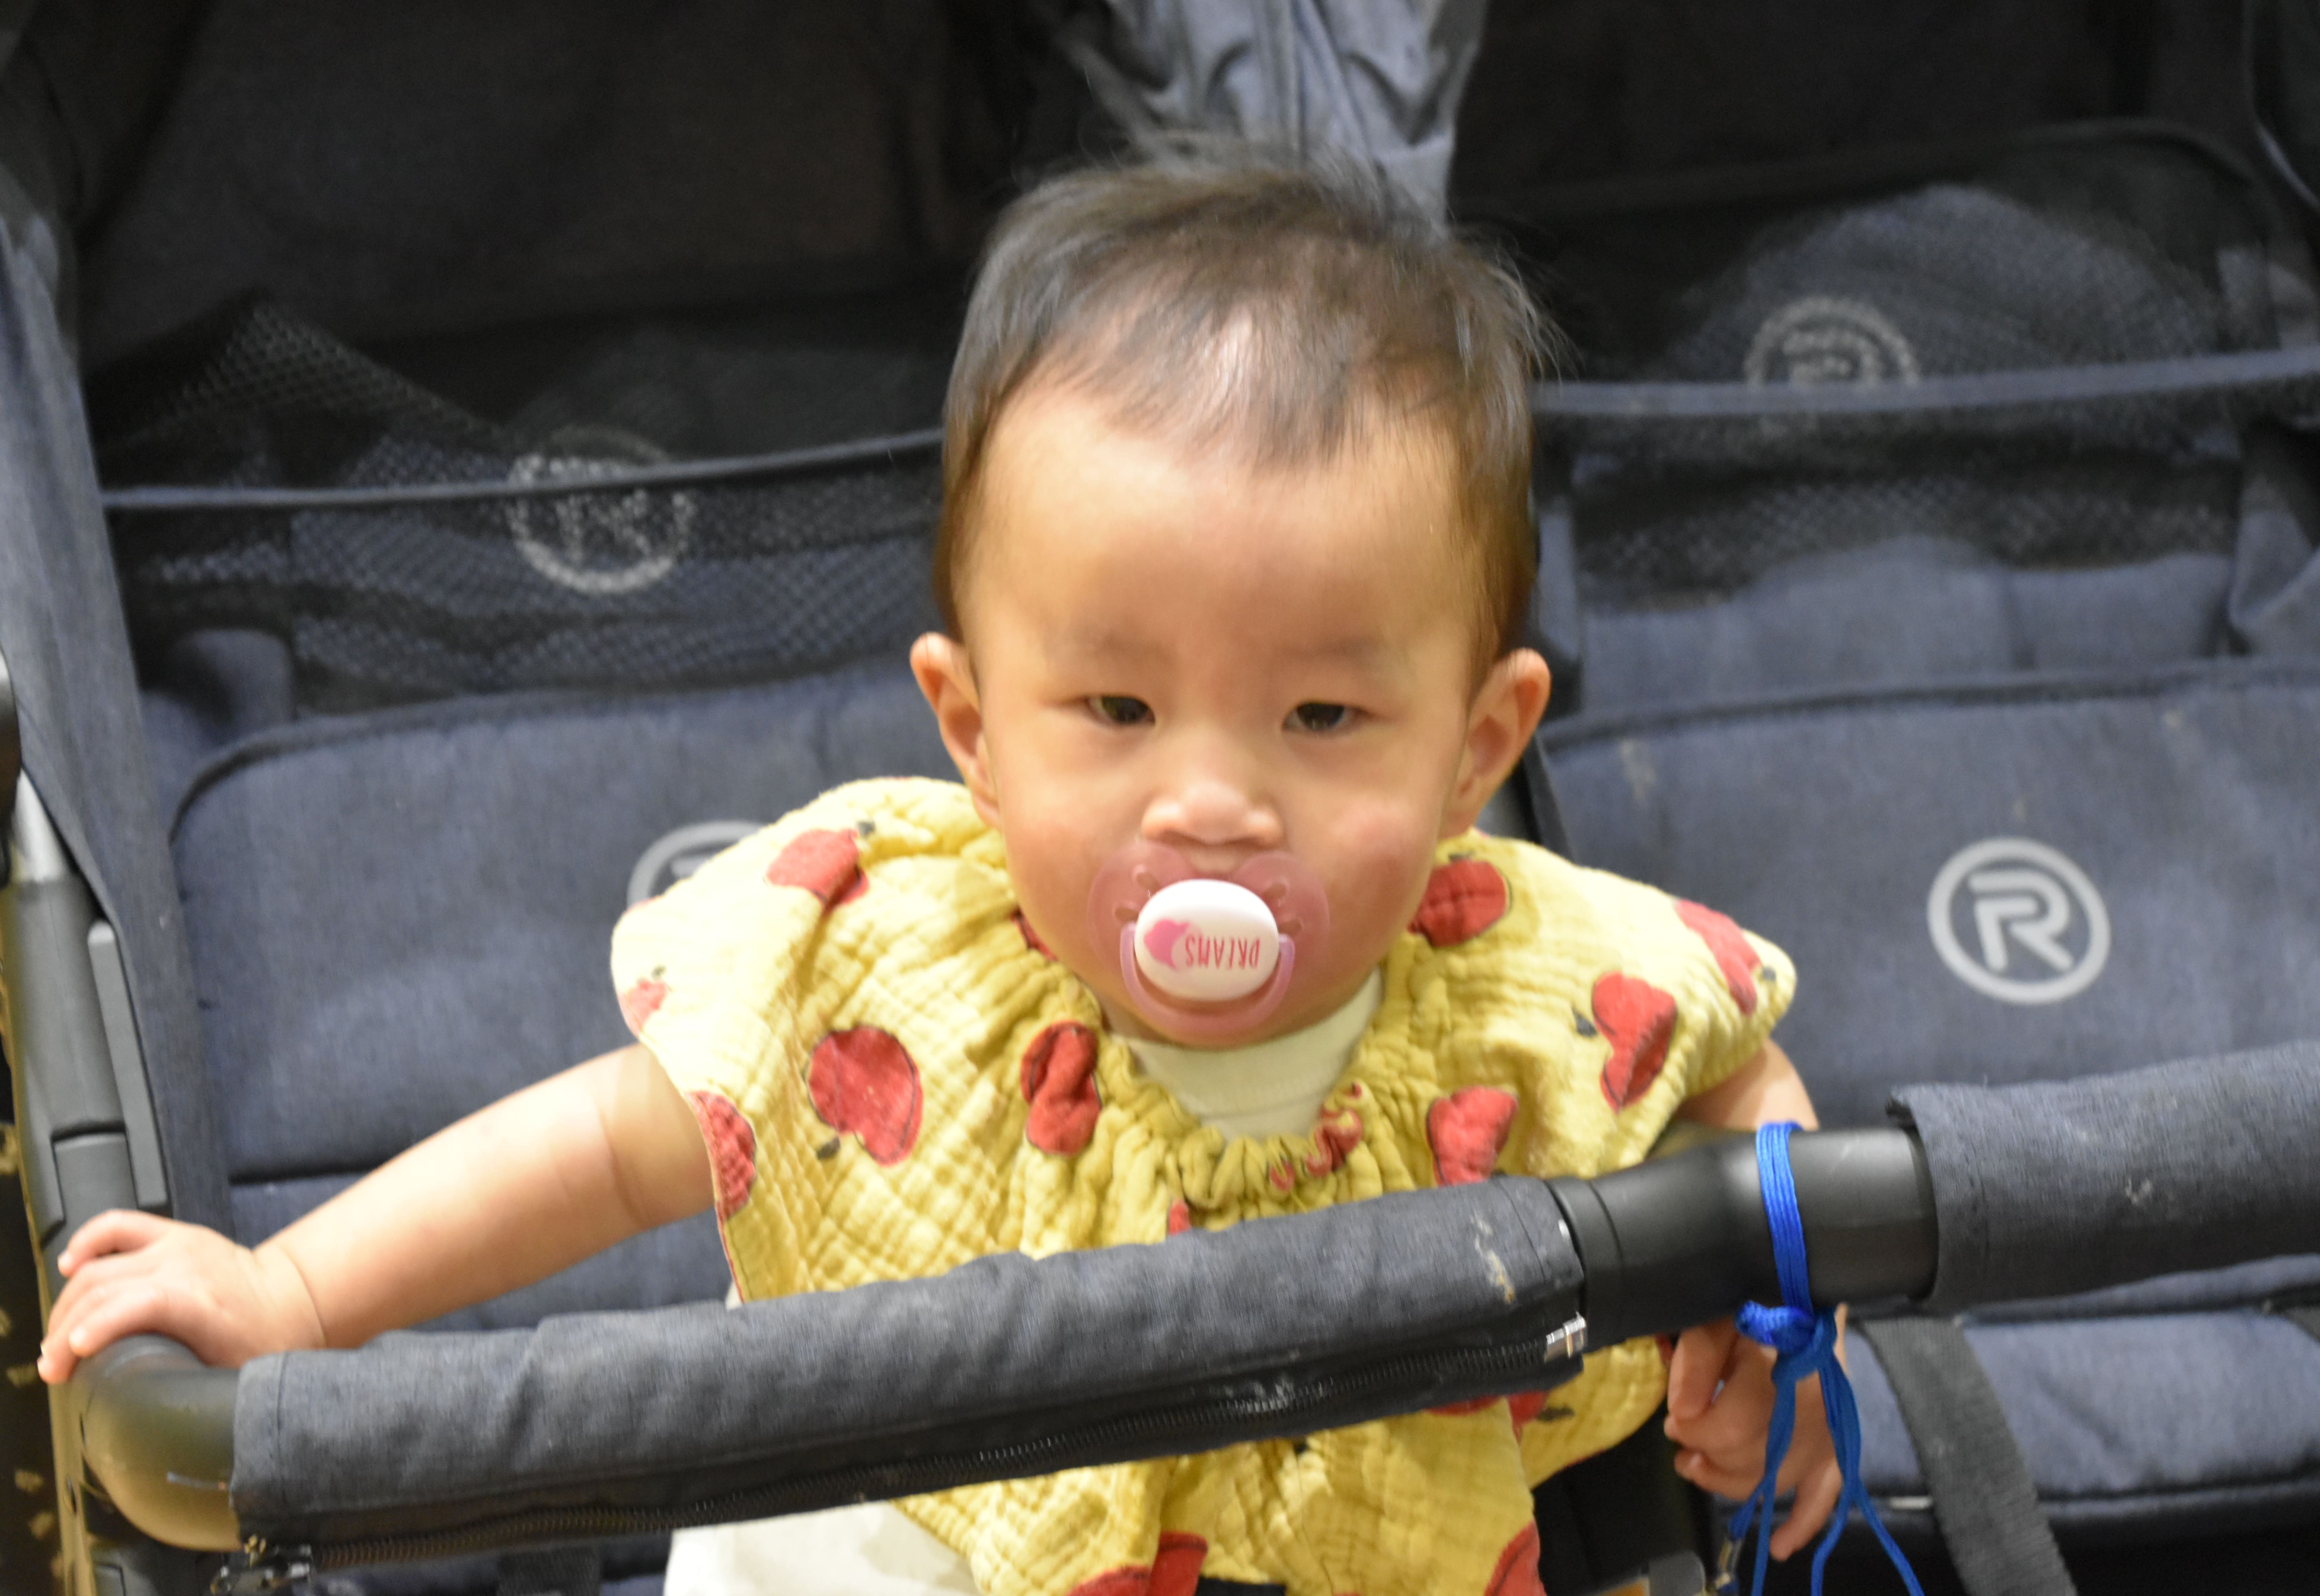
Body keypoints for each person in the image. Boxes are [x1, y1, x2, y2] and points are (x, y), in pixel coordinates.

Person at [39, 146, 1842, 1596]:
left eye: (1320, 717)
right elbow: (596, 1148)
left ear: (1475, 747)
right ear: (972, 728)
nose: (1212, 804)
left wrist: (1776, 1325)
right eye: (1118, 708)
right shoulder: (878, 965)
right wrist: (290, 1303)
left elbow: (1741, 1083)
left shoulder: (1534, 990)